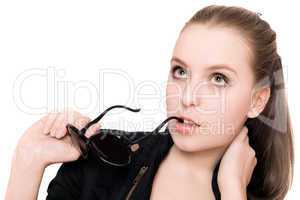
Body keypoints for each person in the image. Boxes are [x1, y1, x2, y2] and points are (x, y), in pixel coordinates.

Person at [5, 5, 294, 200]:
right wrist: (27, 163)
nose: (187, 97)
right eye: (180, 72)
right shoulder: (100, 163)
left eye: (218, 78)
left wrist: (232, 191)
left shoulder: (247, 192)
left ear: (257, 100)